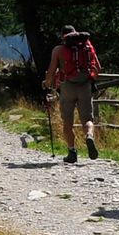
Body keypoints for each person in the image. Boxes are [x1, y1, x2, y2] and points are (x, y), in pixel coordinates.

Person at [44, 25, 100, 163]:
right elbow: (97, 67)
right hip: (85, 86)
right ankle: (89, 136)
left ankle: (72, 152)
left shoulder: (59, 50)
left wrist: (47, 83)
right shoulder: (87, 47)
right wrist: (88, 79)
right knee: (87, 119)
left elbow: (51, 70)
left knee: (67, 121)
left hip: (67, 86)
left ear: (63, 36)